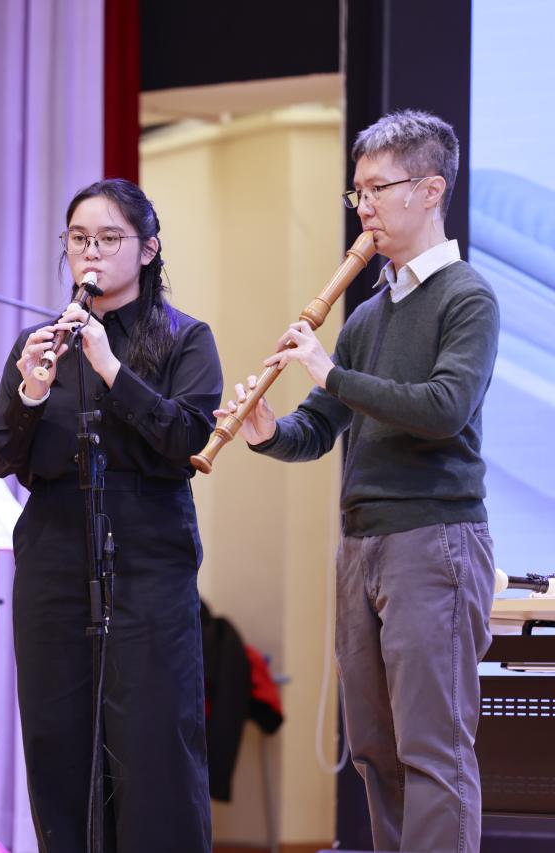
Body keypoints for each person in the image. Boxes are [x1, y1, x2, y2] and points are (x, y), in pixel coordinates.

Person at [217, 110, 499, 853]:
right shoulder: (368, 314)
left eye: (377, 188)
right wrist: (266, 430)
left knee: (433, 751)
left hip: (434, 540)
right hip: (363, 544)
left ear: (429, 190)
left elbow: (443, 409)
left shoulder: (468, 297)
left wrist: (329, 370)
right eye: (358, 192)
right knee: (375, 750)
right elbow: (319, 427)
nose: (363, 205)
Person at [0, 178, 222, 851]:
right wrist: (30, 392)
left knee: (153, 747)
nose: (91, 252)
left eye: (109, 238)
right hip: (53, 558)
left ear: (148, 249)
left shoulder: (185, 338)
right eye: (79, 239)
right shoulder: (42, 342)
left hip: (148, 560)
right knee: (57, 743)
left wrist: (113, 369)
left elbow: (186, 438)